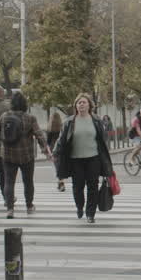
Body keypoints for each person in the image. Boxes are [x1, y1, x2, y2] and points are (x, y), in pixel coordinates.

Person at [52, 93, 112, 223]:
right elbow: (61, 139)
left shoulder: (96, 120)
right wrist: (56, 151)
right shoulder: (69, 121)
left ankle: (90, 213)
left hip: (93, 158)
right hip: (75, 159)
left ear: (90, 105)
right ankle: (79, 207)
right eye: (79, 103)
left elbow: (103, 139)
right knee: (77, 187)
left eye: (84, 102)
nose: (82, 104)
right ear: (76, 106)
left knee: (93, 186)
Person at [0, 92, 52, 219]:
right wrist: (46, 151)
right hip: (26, 155)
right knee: (28, 181)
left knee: (9, 182)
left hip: (8, 155)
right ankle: (29, 206)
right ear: (25, 104)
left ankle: (10, 209)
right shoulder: (30, 118)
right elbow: (39, 135)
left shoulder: (4, 116)